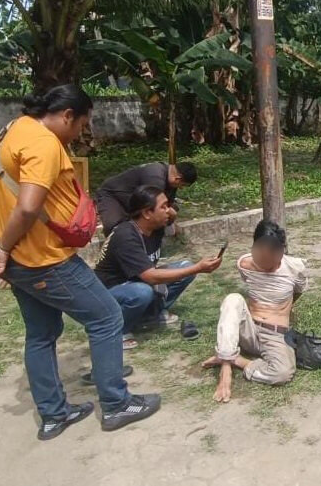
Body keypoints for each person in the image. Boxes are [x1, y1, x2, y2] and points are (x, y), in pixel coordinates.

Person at [0, 85, 160, 440]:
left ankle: (53, 415)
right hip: (45, 260)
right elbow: (29, 206)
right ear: (66, 116)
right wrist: (2, 243)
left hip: (18, 259)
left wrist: (3, 246)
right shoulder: (43, 143)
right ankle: (117, 404)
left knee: (41, 334)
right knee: (107, 317)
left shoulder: (9, 132)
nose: (79, 134)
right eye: (80, 125)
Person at [93, 185, 222, 348]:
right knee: (142, 291)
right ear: (147, 213)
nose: (168, 210)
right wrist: (198, 268)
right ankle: (117, 331)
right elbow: (150, 277)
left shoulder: (156, 226)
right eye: (163, 206)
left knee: (185, 267)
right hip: (110, 292)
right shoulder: (125, 235)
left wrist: (171, 213)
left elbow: (172, 224)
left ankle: (149, 315)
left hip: (137, 281)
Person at [200, 220, 306, 403]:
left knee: (282, 373)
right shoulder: (244, 264)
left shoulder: (295, 269)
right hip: (248, 329)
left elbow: (298, 291)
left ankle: (236, 360)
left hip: (275, 335)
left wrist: (283, 309)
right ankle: (225, 371)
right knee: (233, 299)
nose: (266, 261)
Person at [95, 161, 198, 235]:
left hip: (134, 199)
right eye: (182, 185)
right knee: (115, 229)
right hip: (112, 196)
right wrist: (172, 215)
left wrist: (170, 219)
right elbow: (154, 206)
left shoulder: (171, 180)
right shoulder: (155, 177)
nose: (180, 188)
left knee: (162, 216)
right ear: (178, 179)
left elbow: (167, 205)